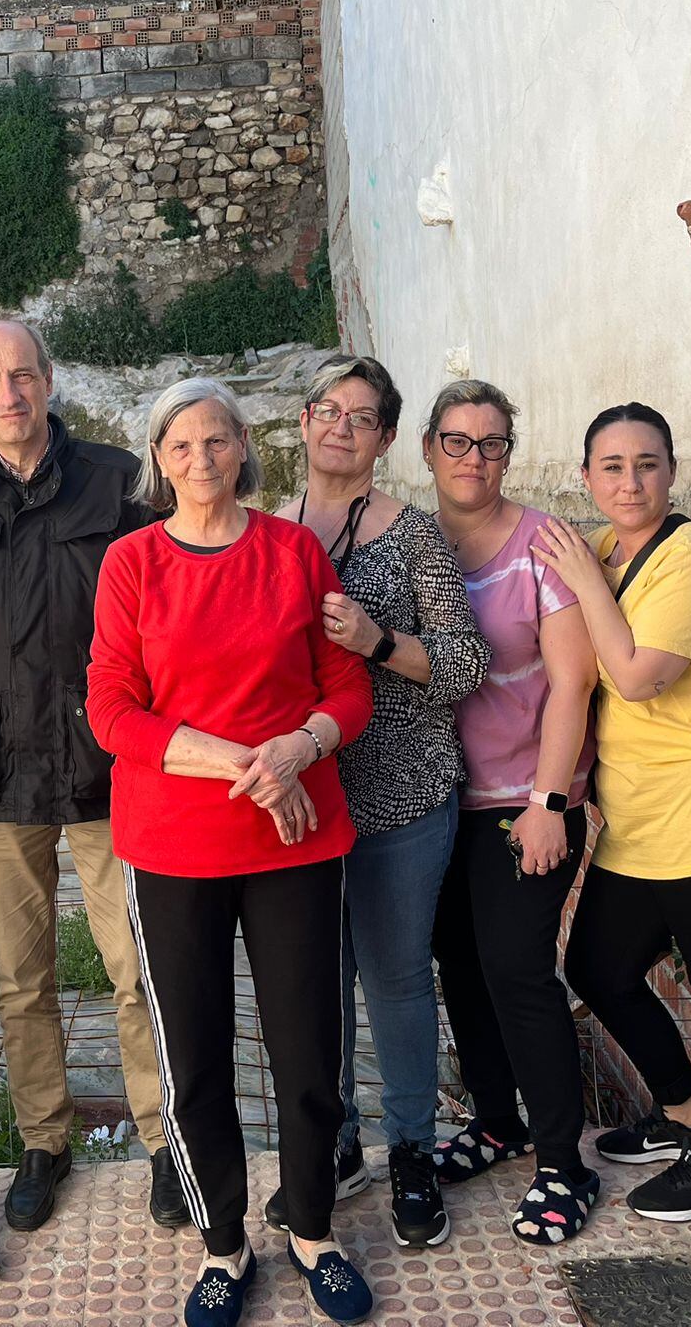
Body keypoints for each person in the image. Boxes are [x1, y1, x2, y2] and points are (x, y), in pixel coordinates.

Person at [89, 377, 376, 1327]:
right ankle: (222, 1244)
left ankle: (312, 1232)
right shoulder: (131, 563)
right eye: (182, 446)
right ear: (159, 461)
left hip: (296, 840)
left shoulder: (294, 553)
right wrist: (246, 763)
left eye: (218, 441)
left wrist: (299, 748)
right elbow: (112, 711)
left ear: (244, 446)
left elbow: (347, 690)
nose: (203, 461)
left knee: (307, 1047)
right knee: (194, 1052)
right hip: (175, 845)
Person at [0, 320, 183, 1232]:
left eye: (22, 375)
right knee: (21, 979)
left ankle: (163, 1140)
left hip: (113, 770)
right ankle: (43, 1141)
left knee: (135, 968)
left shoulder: (121, 484)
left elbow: (169, 618)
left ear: (49, 380)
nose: (9, 394)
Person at [532, 403, 691, 1225]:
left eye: (647, 464)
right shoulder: (599, 549)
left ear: (674, 472)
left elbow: (637, 676)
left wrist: (586, 584)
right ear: (587, 476)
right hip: (638, 818)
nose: (630, 481)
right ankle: (679, 1108)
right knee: (599, 967)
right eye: (612, 466)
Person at [269, 356, 487, 1249]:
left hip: (399, 795)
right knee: (316, 986)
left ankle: (409, 1153)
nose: (340, 426)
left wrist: (376, 640)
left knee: (395, 981)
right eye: (327, 409)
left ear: (386, 438)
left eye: (362, 417)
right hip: (300, 800)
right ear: (305, 421)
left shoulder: (416, 537)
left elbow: (465, 665)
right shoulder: (263, 529)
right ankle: (334, 1146)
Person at [422, 381, 602, 1245]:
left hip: (520, 802)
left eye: (492, 444)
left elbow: (575, 679)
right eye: (458, 442)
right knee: (460, 967)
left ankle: (566, 1166)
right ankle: (498, 1123)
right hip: (436, 803)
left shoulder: (544, 545)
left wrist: (548, 802)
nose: (475, 459)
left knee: (518, 971)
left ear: (509, 454)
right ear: (428, 451)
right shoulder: (413, 543)